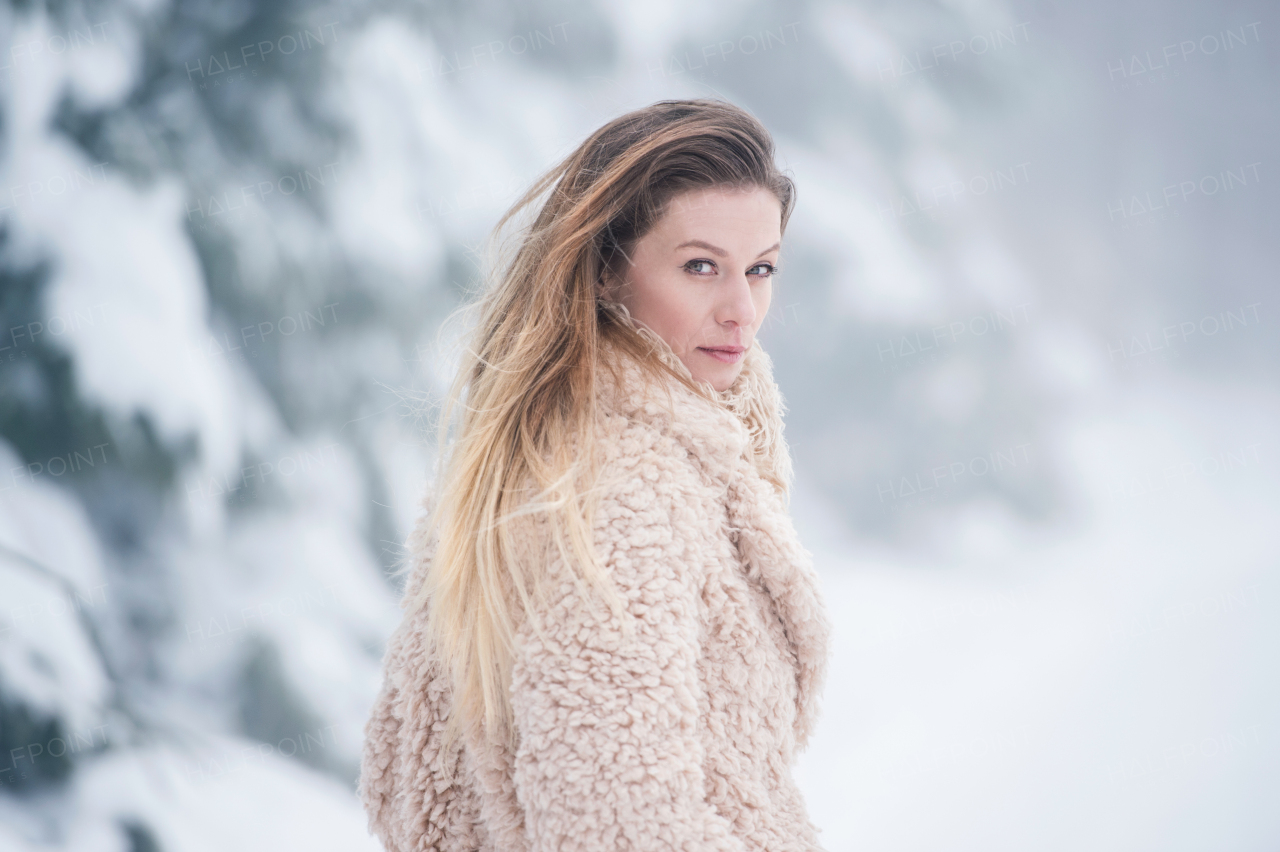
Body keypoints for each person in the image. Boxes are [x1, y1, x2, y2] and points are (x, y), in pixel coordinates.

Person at [359, 98, 832, 852]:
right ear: (610, 268)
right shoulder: (624, 485)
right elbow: (615, 825)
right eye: (701, 266)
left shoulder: (549, 451)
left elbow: (404, 778)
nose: (743, 309)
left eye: (762, 268)